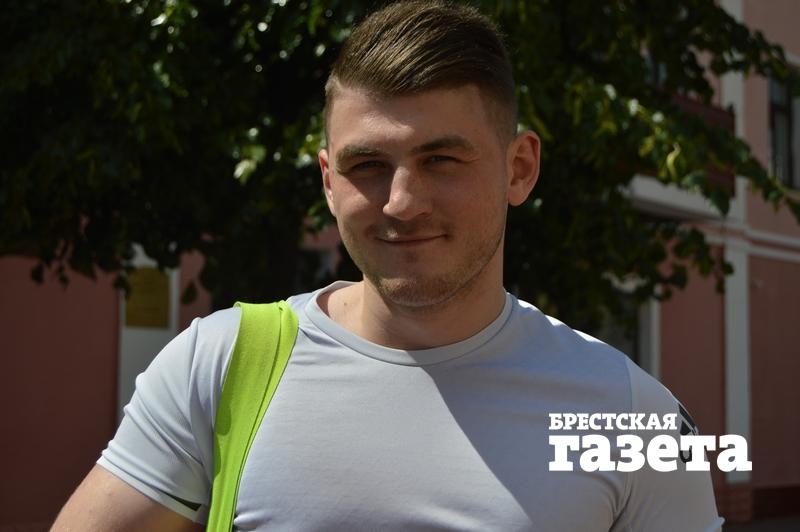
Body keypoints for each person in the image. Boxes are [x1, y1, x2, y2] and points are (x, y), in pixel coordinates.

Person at [53, 1, 724, 530]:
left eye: (442, 159)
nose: (402, 202)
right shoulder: (218, 363)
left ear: (520, 168)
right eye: (368, 165)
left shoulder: (634, 413)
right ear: (328, 180)